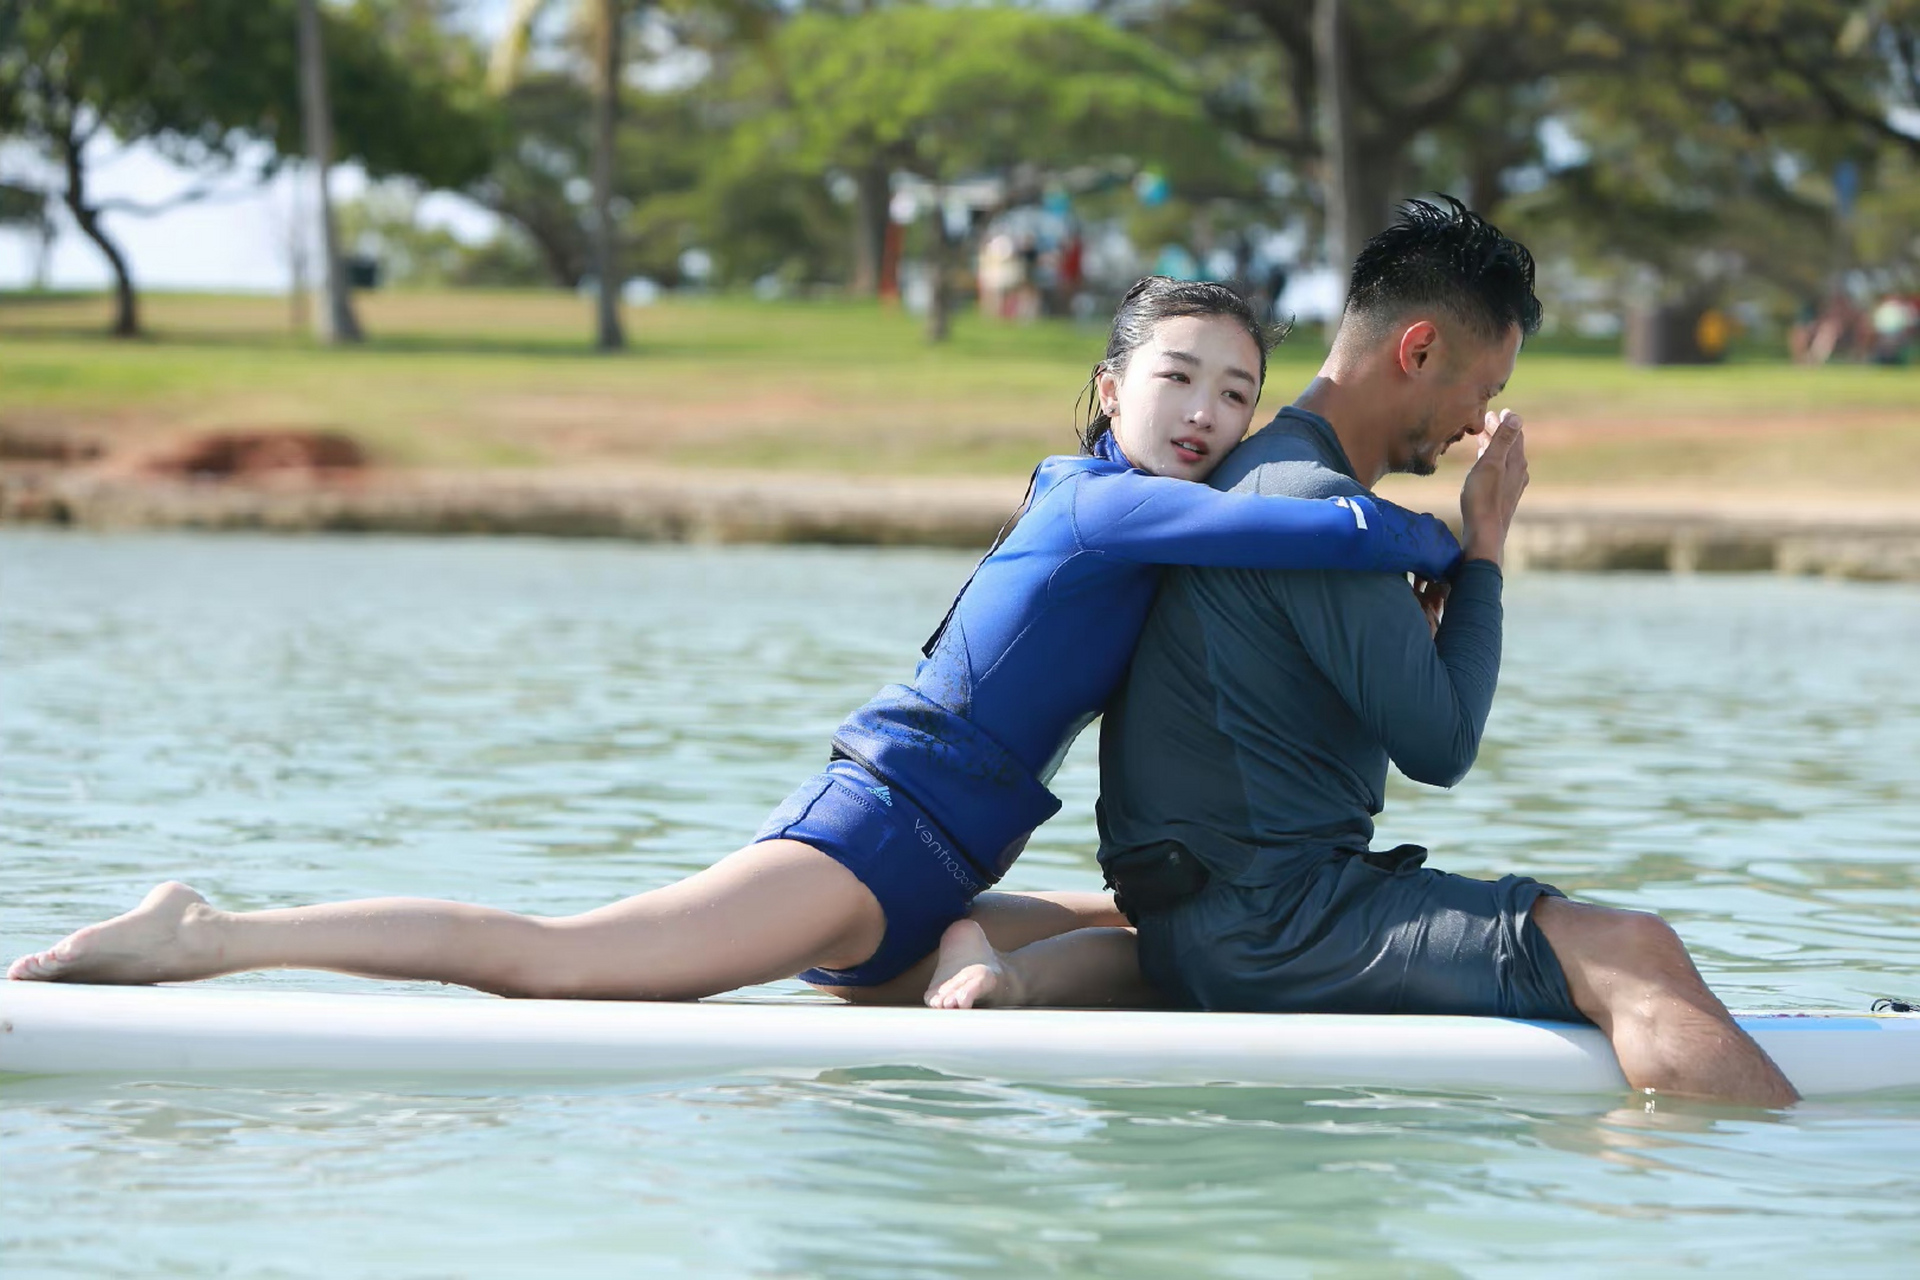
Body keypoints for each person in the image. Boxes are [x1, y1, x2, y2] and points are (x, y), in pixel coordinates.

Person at [7, 278, 1464, 1006]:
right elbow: (1307, 533)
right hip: (879, 835)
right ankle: (208, 933)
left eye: (1237, 390)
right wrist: (1442, 536)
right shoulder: (1107, 513)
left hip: (946, 866)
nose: (1208, 414)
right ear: (1107, 388)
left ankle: (977, 954)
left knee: (1160, 933)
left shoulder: (1135, 523)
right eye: (1178, 380)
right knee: (556, 963)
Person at [925, 199, 1800, 1108]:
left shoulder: (1270, 481)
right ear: (1416, 351)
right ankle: (1777, 1194)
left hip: (1218, 923)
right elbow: (1443, 745)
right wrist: (1486, 543)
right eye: (1482, 389)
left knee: (1578, 936)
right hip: (1273, 931)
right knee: (1633, 951)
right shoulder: (1310, 507)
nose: (1479, 422)